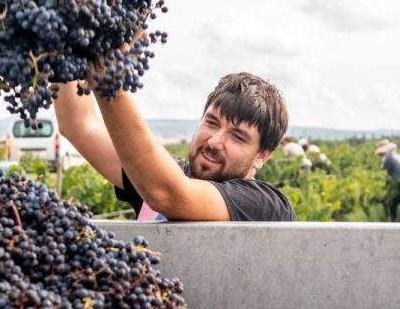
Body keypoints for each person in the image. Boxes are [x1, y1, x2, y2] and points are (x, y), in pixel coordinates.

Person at [53, 71, 296, 222]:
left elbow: (168, 195)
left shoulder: (268, 207)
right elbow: (80, 125)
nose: (214, 142)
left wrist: (107, 76)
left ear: (262, 155)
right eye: (211, 123)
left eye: (237, 137)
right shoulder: (160, 175)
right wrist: (65, 46)